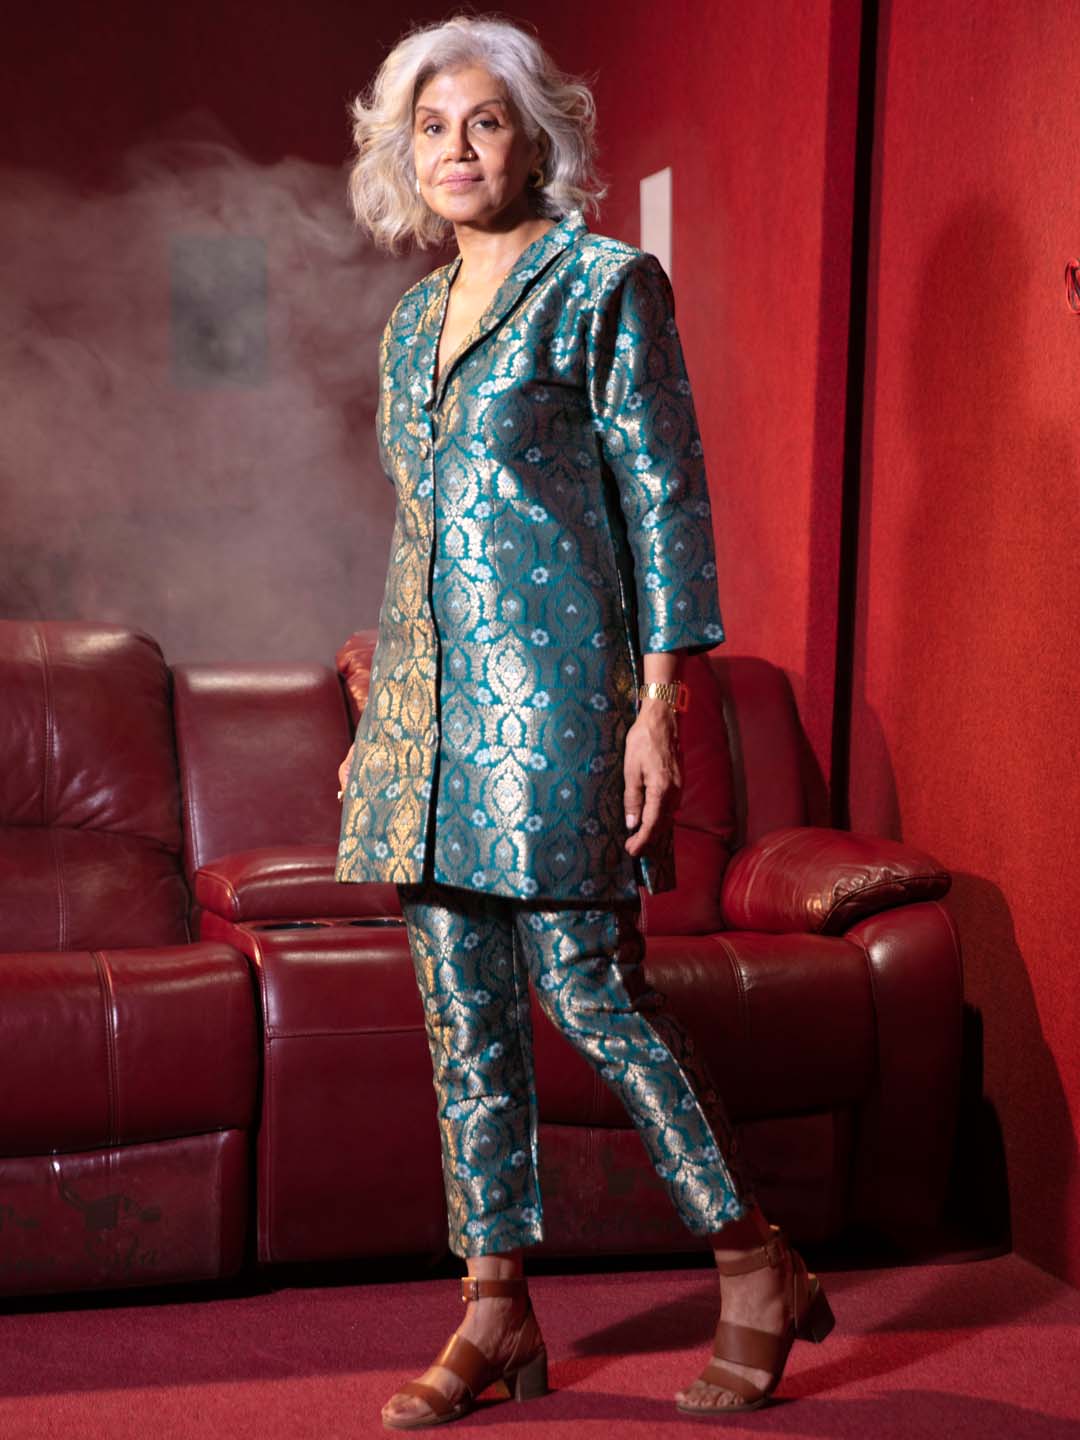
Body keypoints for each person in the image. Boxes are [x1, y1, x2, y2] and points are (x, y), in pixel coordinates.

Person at [334, 13, 834, 1428]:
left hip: (561, 707)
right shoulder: (412, 322)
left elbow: (666, 503)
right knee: (461, 1013)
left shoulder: (606, 284)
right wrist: (384, 724)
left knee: (590, 990)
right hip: (430, 722)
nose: (455, 150)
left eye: (484, 122)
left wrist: (658, 711)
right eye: (431, 128)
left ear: (535, 139)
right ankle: (493, 1309)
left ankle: (753, 1260)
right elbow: (418, 534)